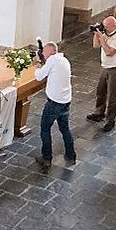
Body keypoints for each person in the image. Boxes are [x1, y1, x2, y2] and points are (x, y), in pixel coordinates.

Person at [34, 41, 75, 169]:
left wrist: (36, 63)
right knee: (64, 129)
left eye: (44, 52)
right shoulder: (64, 60)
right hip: (65, 101)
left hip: (54, 103)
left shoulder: (52, 60)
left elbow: (39, 76)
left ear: (52, 51)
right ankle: (71, 155)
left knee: (45, 129)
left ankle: (46, 158)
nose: (43, 55)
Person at [86, 16, 116, 132]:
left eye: (105, 26)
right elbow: (96, 46)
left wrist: (102, 38)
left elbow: (109, 52)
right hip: (105, 67)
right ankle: (99, 113)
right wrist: (96, 34)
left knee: (112, 96)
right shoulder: (107, 33)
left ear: (113, 26)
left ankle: (110, 121)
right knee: (100, 92)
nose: (103, 28)